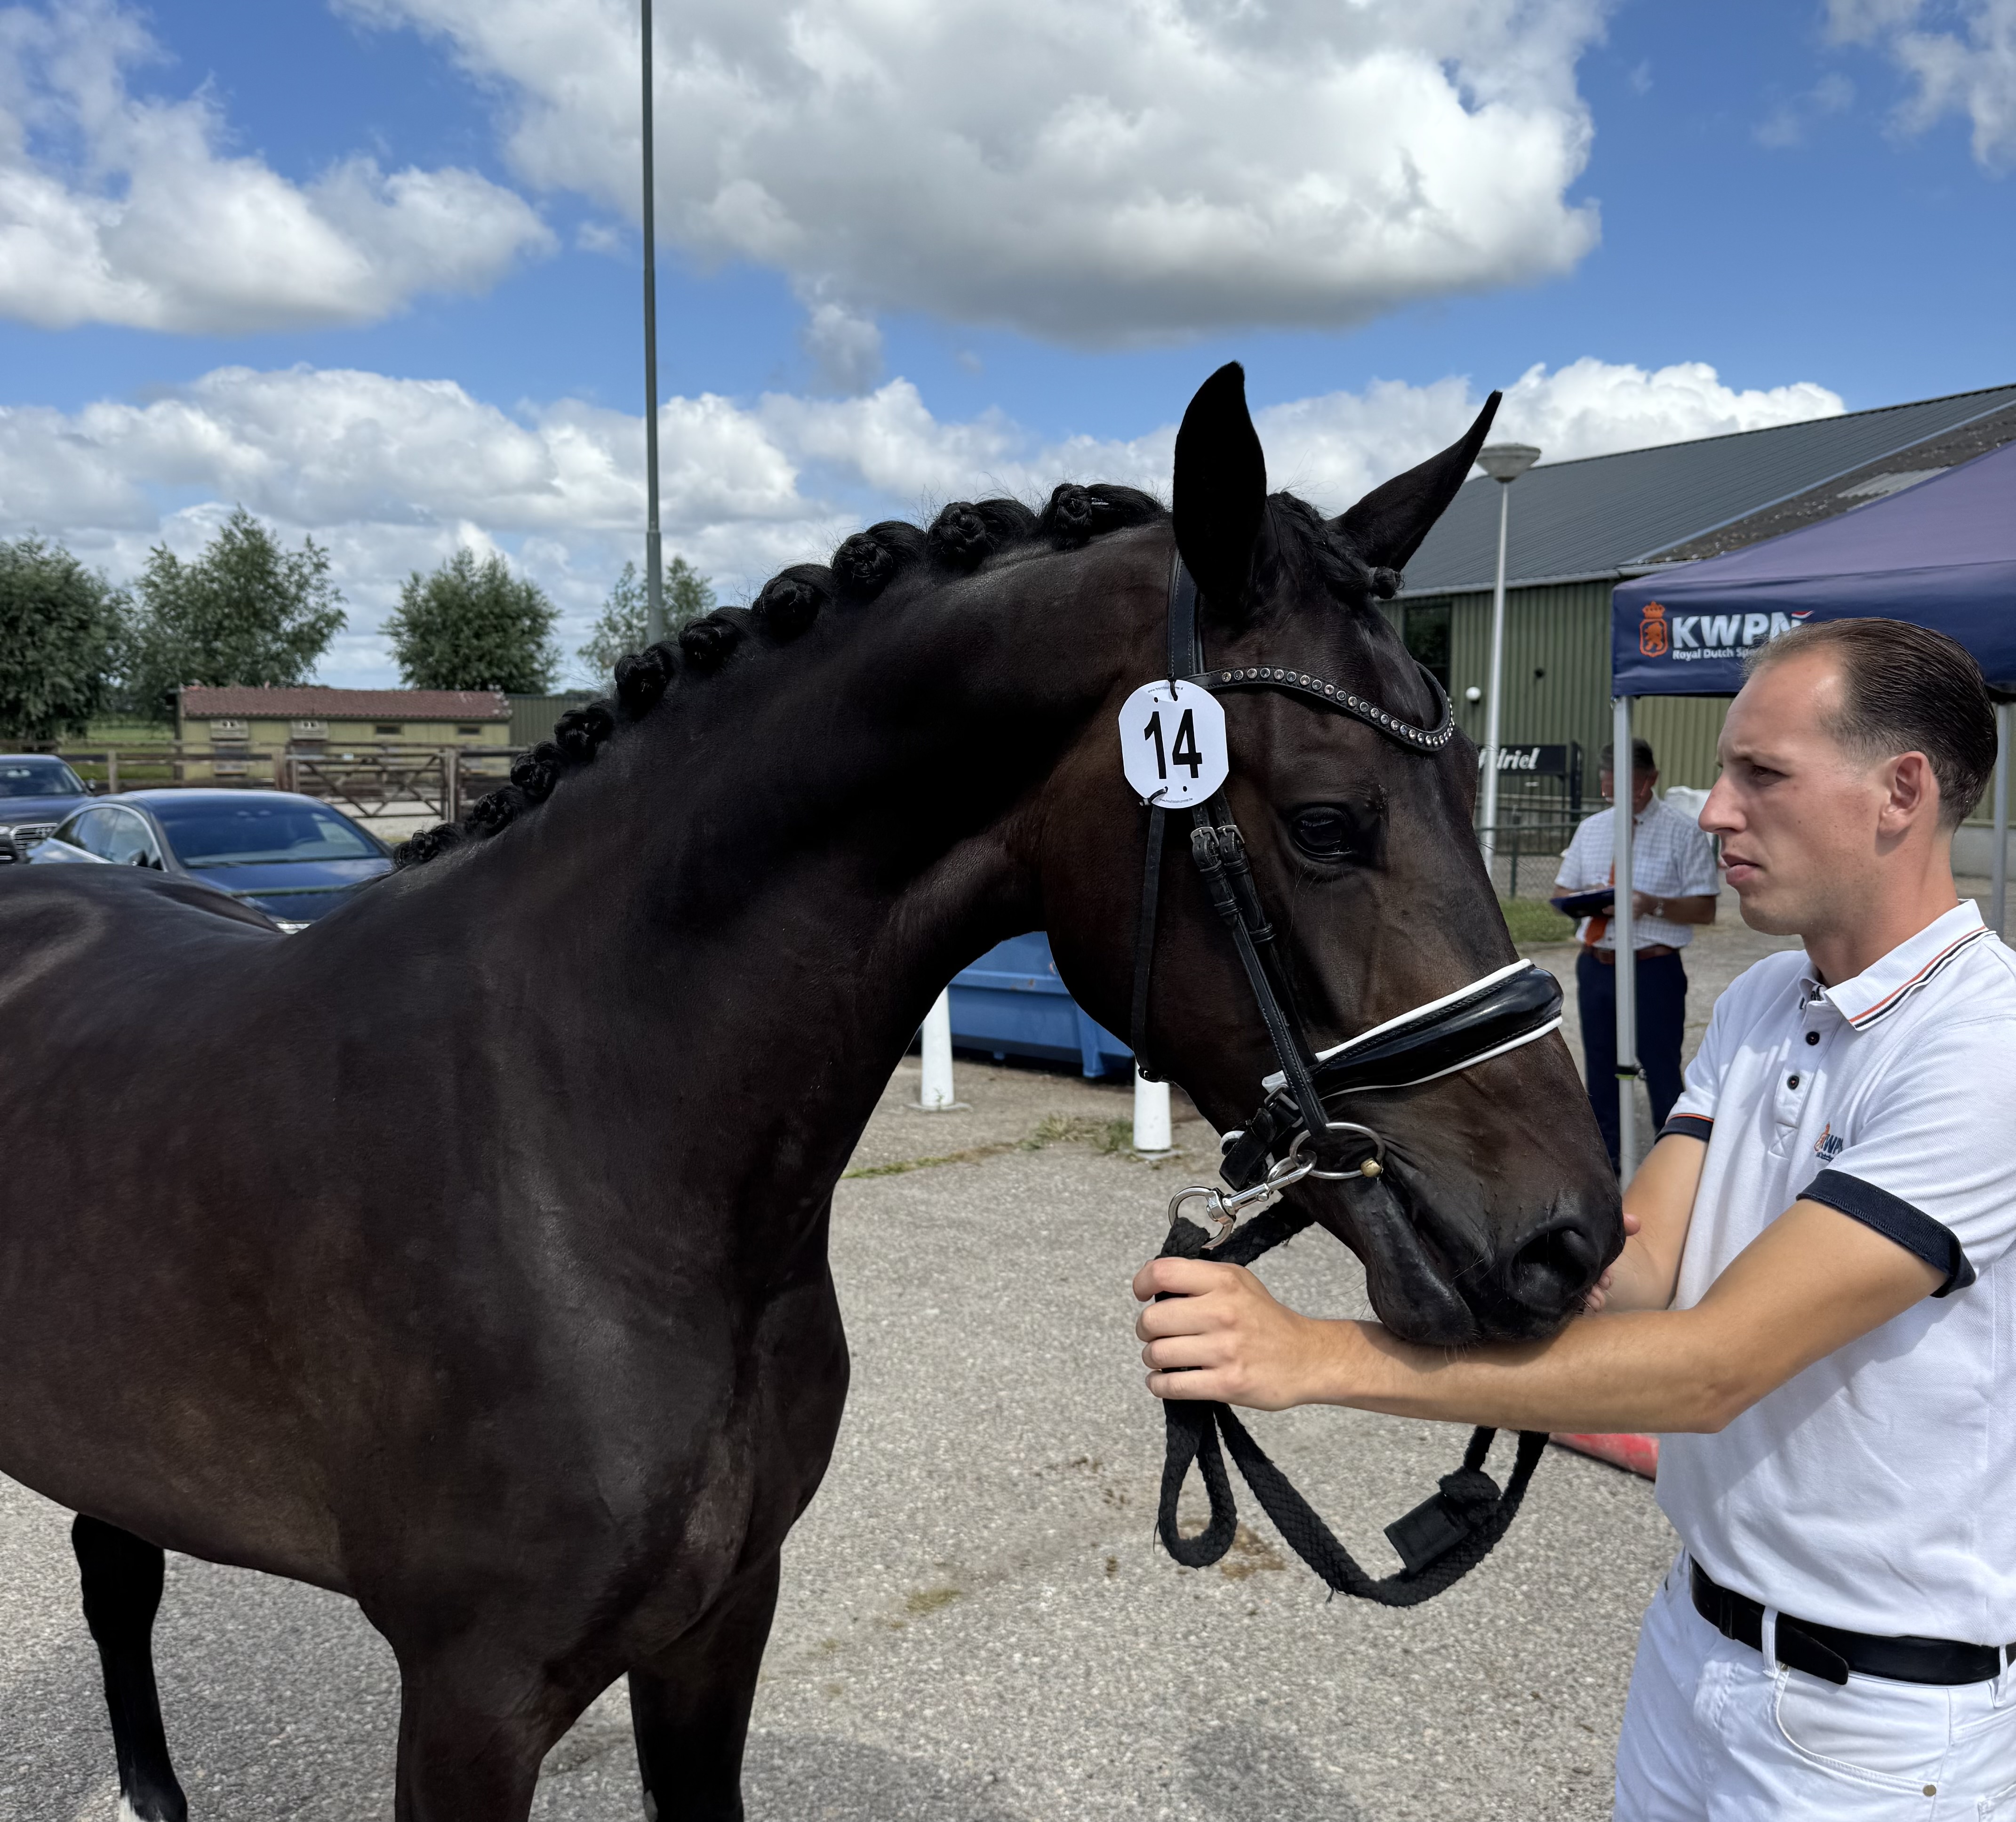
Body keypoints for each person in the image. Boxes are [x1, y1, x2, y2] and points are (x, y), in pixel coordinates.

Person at [1134, 618, 2016, 1818]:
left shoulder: (1981, 1050)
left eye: (1762, 773)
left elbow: (1713, 1368)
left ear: (1901, 792)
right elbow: (1636, 1271)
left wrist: (1313, 1355)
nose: (1716, 812)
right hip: (1693, 1646)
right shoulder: (1768, 998)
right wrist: (1465, 1218)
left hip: (1878, 1729)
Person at [1552, 738, 1719, 1169]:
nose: (1621, 796)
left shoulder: (1683, 832)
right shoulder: (1592, 829)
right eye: (1610, 788)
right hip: (1597, 965)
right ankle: (1607, 1162)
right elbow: (1562, 891)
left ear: (1652, 779)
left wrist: (1652, 904)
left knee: (1661, 1069)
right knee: (1600, 1068)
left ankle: (1673, 1163)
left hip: (1653, 968)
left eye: (1632, 787)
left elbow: (1705, 909)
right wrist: (1589, 899)